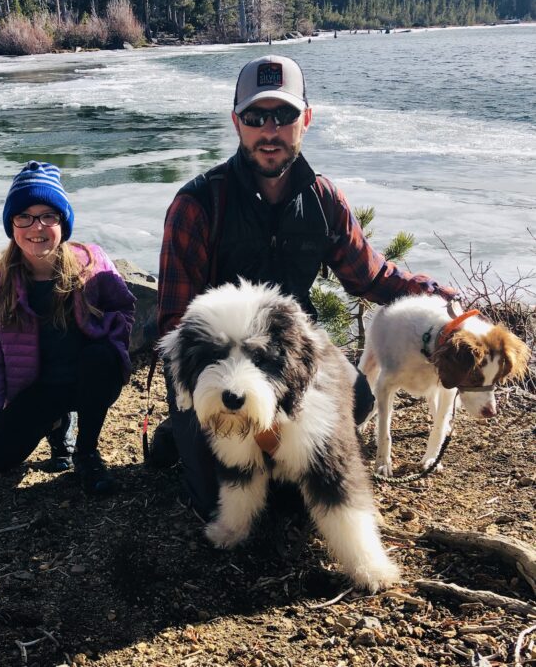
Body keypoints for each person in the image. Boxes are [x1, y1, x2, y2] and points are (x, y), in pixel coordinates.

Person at [156, 54, 456, 520]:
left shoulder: (323, 198)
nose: (269, 130)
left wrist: (438, 296)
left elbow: (370, 276)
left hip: (292, 365)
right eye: (256, 117)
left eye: (284, 115)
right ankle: (180, 432)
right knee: (221, 504)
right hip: (220, 371)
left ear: (306, 120)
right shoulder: (198, 204)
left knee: (355, 399)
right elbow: (174, 322)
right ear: (237, 122)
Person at [0, 161, 135, 496]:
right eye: (24, 216)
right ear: (11, 224)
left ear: (63, 222)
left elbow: (125, 305)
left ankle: (86, 452)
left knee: (101, 358)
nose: (36, 226)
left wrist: (112, 335)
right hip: (40, 388)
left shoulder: (91, 262)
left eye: (48, 215)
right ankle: (55, 422)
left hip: (90, 377)